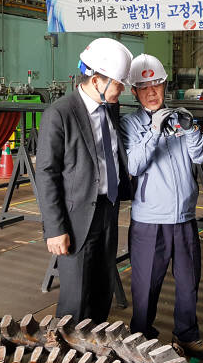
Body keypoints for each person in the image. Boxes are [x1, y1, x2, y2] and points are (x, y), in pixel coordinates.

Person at [120, 54, 203, 360]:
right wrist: (154, 131)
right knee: (146, 285)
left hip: (184, 217)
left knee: (189, 282)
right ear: (133, 91)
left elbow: (200, 157)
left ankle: (187, 335)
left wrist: (190, 129)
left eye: (156, 84)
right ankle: (141, 338)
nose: (151, 92)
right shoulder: (129, 124)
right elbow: (133, 164)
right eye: (143, 86)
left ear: (165, 85)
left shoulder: (179, 118)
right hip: (149, 220)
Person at [36, 37, 132, 324]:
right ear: (97, 79)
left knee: (103, 288)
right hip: (76, 216)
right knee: (76, 298)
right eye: (118, 83)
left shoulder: (109, 107)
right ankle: (67, 356)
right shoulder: (61, 113)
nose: (122, 89)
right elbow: (46, 173)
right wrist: (54, 229)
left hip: (107, 208)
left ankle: (95, 349)